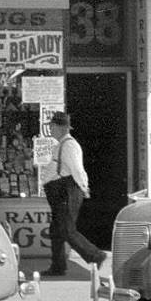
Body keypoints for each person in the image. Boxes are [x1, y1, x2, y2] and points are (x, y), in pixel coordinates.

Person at [42, 111, 111, 278]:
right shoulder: (61, 145)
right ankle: (58, 267)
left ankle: (96, 255)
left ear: (60, 128)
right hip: (61, 190)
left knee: (66, 229)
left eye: (52, 126)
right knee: (57, 230)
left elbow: (77, 170)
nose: (50, 129)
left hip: (68, 190)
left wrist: (83, 187)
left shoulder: (70, 145)